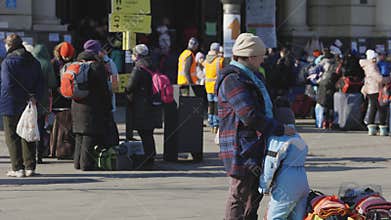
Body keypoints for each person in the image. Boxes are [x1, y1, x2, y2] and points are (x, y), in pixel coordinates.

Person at [216, 33, 296, 220]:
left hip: (256, 142)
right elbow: (249, 116)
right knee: (240, 193)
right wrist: (281, 129)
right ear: (250, 57)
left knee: (256, 193)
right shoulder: (233, 79)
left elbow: (261, 105)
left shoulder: (252, 75)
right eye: (260, 56)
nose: (263, 59)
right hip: (241, 145)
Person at [259, 97, 309, 220]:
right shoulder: (298, 137)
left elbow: (271, 163)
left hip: (286, 184)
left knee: (275, 217)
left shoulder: (278, 138)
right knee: (297, 217)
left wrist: (264, 186)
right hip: (302, 181)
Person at [0, 34, 43, 177]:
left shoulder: (8, 61)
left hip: (10, 103)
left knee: (12, 136)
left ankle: (17, 168)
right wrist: (32, 96)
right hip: (30, 103)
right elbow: (41, 82)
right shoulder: (34, 61)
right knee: (28, 132)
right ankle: (30, 167)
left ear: (10, 45)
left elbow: (7, 85)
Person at [72, 39, 112, 170]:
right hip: (92, 106)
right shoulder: (97, 66)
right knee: (89, 135)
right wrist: (108, 105)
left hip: (76, 104)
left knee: (79, 135)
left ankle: (77, 163)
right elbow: (104, 89)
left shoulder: (75, 64)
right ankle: (86, 164)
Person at [125, 44, 160, 167]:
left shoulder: (138, 68)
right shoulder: (152, 65)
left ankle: (148, 158)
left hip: (141, 105)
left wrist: (124, 90)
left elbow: (130, 87)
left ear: (137, 55)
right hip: (152, 103)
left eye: (133, 54)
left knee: (144, 132)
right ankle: (151, 155)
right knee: (148, 132)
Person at [31, 44, 57, 163]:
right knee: (41, 126)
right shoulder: (47, 64)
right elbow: (52, 83)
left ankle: (29, 154)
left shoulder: (30, 63)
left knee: (30, 125)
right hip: (43, 98)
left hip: (30, 98)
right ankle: (39, 154)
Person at [50, 42, 75, 159]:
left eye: (68, 57)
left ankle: (58, 148)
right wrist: (59, 90)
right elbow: (52, 81)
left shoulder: (70, 63)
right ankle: (58, 149)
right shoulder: (54, 64)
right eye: (65, 57)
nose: (67, 59)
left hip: (67, 97)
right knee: (59, 124)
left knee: (64, 125)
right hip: (58, 98)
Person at [360, 49, 388, 135]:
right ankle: (383, 128)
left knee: (373, 107)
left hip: (370, 89)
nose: (376, 59)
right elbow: (379, 78)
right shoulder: (371, 66)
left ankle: (371, 128)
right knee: (381, 108)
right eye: (374, 58)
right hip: (375, 89)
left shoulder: (368, 65)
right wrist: (387, 79)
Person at [204, 42, 223, 133]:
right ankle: (216, 124)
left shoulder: (206, 60)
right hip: (216, 86)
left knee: (210, 105)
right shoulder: (219, 60)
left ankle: (211, 122)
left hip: (208, 86)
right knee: (216, 106)